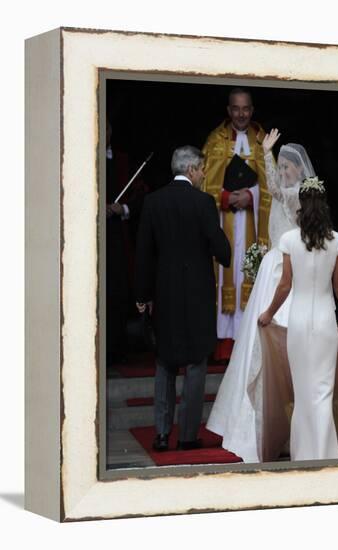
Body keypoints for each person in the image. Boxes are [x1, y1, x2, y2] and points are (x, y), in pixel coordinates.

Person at [206, 130, 317, 462]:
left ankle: (287, 421)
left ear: (300, 170)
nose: (283, 170)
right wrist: (267, 155)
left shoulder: (298, 195)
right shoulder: (286, 190)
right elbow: (271, 188)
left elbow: (276, 193)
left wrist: (267, 157)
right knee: (255, 340)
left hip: (287, 268)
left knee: (281, 338)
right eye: (281, 165)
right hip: (272, 267)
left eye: (287, 166)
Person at [135, 146, 231, 452]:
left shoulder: (153, 201)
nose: (204, 173)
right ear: (191, 170)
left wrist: (142, 295)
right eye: (202, 168)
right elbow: (222, 250)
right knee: (195, 362)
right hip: (198, 294)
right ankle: (188, 435)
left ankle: (162, 433)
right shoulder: (203, 202)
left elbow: (143, 254)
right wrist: (224, 250)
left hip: (164, 294)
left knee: (164, 361)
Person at [258, 177, 338, 461]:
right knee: (323, 391)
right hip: (326, 322)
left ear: (301, 204)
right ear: (324, 204)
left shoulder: (289, 240)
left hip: (299, 323)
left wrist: (268, 314)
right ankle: (326, 453)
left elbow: (285, 285)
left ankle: (303, 455)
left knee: (303, 392)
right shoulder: (337, 240)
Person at [202, 88, 271, 361]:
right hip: (225, 221)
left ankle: (248, 341)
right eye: (236, 108)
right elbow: (204, 182)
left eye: (246, 109)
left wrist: (251, 196)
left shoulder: (262, 141)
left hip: (254, 224)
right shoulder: (215, 140)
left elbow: (273, 183)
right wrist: (228, 197)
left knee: (250, 273)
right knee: (226, 273)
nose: (241, 114)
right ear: (229, 110)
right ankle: (225, 345)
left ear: (252, 110)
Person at [106, 118, 147, 365]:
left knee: (118, 291)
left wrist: (123, 209)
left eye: (108, 127)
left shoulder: (123, 160)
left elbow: (142, 195)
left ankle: (117, 351)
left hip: (118, 239)